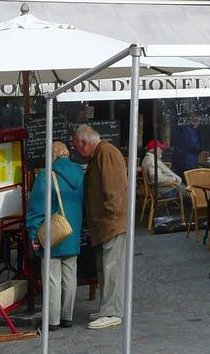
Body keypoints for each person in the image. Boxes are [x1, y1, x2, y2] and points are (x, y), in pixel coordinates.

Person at [25, 141, 84, 332]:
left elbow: (37, 207)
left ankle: (52, 320)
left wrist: (34, 234)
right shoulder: (79, 173)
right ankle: (67, 317)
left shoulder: (45, 175)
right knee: (70, 275)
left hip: (54, 233)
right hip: (72, 230)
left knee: (52, 277)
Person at [72, 124, 127, 330]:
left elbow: (115, 188)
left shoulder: (107, 153)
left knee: (111, 268)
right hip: (105, 223)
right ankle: (107, 308)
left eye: (76, 146)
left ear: (84, 143)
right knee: (105, 268)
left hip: (110, 223)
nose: (76, 150)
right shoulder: (101, 153)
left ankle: (112, 311)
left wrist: (109, 216)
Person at [142, 140, 187, 204]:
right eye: (160, 149)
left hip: (164, 187)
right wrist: (173, 179)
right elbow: (156, 178)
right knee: (189, 192)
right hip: (165, 190)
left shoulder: (148, 158)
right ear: (154, 150)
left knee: (187, 190)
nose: (161, 151)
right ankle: (191, 211)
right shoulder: (152, 161)